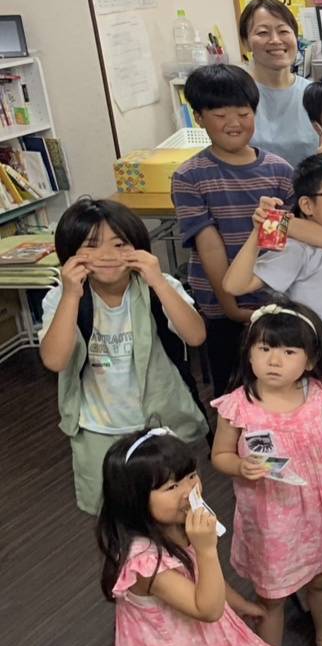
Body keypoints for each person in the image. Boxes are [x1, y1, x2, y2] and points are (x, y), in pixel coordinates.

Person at [85, 428, 313, 646]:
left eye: (191, 476)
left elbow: (201, 577)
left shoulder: (181, 523)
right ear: (134, 498)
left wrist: (239, 603)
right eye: (171, 486)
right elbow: (206, 608)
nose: (188, 490)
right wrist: (207, 548)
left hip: (203, 643)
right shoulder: (145, 560)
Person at [209, 300, 322, 646]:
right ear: (249, 353)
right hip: (271, 515)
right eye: (265, 349)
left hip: (319, 507)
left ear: (310, 360)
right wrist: (239, 465)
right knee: (273, 592)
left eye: (288, 352)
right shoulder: (238, 405)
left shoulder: (319, 396)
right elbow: (220, 455)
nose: (274, 361)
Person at [40, 198, 207, 515]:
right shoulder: (61, 298)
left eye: (119, 244)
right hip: (98, 429)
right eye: (91, 245)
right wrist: (71, 294)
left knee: (174, 510)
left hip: (161, 425)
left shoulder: (159, 286)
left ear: (139, 247)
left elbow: (196, 336)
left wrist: (158, 280)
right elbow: (55, 361)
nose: (107, 255)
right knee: (113, 514)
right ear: (70, 254)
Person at [171, 64, 295, 397]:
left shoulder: (280, 171)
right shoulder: (189, 176)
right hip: (220, 303)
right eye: (220, 115)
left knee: (279, 382)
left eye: (243, 113)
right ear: (199, 118)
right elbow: (209, 246)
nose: (234, 123)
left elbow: (281, 242)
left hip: (273, 299)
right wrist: (230, 306)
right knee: (232, 388)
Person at [222, 154, 322, 387]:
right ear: (307, 205)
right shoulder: (298, 250)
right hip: (299, 378)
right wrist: (258, 233)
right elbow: (234, 285)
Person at [238, 0, 316, 166]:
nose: (275, 40)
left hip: (309, 182)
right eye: (262, 33)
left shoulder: (316, 95)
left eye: (283, 31)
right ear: (245, 42)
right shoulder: (234, 95)